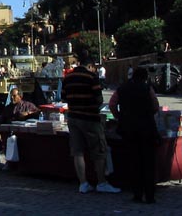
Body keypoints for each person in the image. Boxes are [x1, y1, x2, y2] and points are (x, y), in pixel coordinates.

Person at [61, 57, 120, 194]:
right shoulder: (91, 77)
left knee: (78, 152)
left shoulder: (68, 77)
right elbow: (99, 98)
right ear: (90, 66)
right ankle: (101, 182)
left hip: (73, 117)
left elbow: (63, 97)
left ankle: (83, 183)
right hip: (90, 118)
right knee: (98, 150)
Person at [109, 67, 160, 204]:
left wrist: (119, 117)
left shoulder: (122, 89)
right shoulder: (147, 88)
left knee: (134, 161)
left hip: (128, 129)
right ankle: (149, 195)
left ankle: (137, 193)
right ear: (145, 77)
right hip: (147, 128)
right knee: (148, 163)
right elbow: (155, 105)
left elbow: (112, 104)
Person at [0, 88, 39, 168]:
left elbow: (38, 112)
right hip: (7, 132)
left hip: (22, 133)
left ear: (20, 96)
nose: (12, 98)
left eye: (14, 96)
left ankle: (15, 162)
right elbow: (0, 123)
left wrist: (28, 113)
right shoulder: (8, 108)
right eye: (11, 95)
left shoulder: (28, 105)